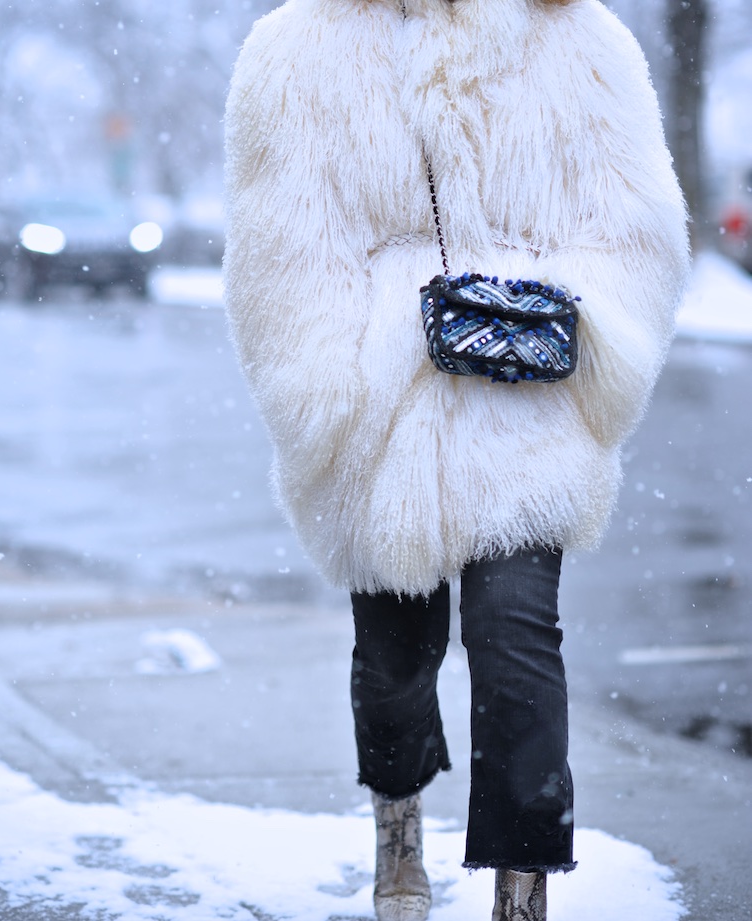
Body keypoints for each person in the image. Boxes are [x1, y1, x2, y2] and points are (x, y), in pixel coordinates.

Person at [223, 0, 689, 918]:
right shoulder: (298, 48)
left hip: (528, 390)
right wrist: (329, 396)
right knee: (396, 654)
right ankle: (397, 824)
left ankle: (525, 887)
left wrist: (569, 322)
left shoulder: (582, 40)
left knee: (515, 636)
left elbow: (635, 226)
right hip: (380, 401)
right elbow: (282, 244)